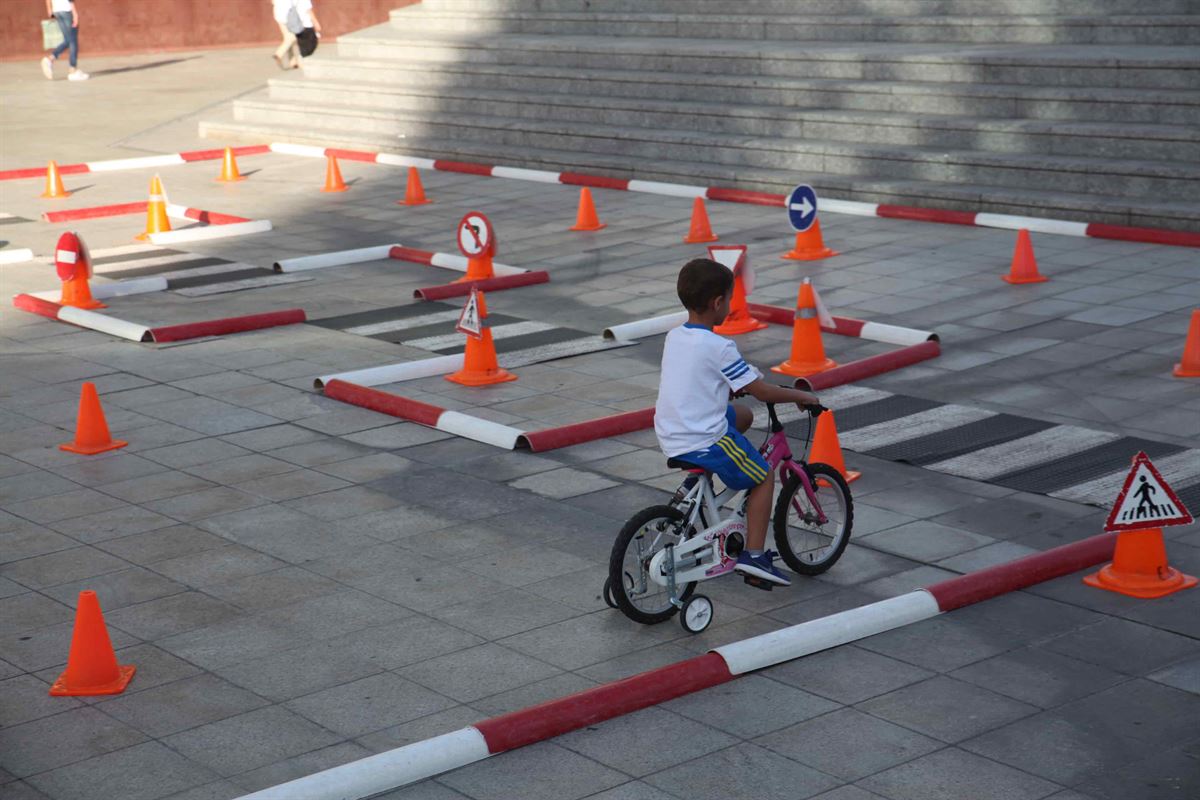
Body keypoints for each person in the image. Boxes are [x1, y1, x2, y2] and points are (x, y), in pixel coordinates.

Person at [655, 258, 822, 587]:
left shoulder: (675, 336)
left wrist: (724, 392)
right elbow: (760, 391)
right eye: (730, 299)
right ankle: (755, 556)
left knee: (742, 415)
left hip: (671, 431)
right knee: (762, 475)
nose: (731, 305)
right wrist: (803, 397)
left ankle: (698, 478)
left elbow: (694, 379)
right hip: (701, 437)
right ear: (718, 303)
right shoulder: (720, 346)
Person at [42, 0, 88, 81]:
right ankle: (72, 70)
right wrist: (75, 14)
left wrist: (49, 9)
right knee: (72, 40)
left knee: (68, 39)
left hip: (57, 11)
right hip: (66, 10)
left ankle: (50, 60)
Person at [272, 0, 321, 70]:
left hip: (280, 13)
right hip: (286, 15)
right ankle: (279, 54)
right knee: (291, 38)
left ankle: (293, 61)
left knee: (288, 38)